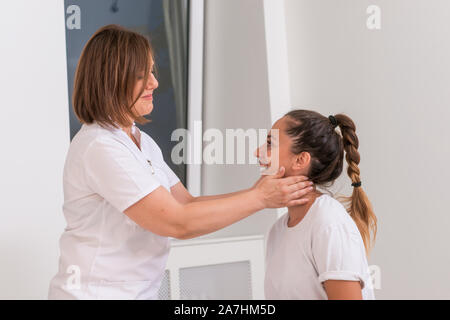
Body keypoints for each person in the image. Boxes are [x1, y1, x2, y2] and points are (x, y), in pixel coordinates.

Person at [48, 25, 313, 300]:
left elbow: (185, 204)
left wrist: (256, 192)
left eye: (152, 71)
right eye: (142, 75)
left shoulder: (140, 140)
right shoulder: (99, 147)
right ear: (112, 80)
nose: (154, 83)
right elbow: (177, 223)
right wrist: (259, 198)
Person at [259, 110, 377, 300]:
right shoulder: (276, 231)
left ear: (300, 160)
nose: (258, 152)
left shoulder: (328, 222)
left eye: (270, 143)